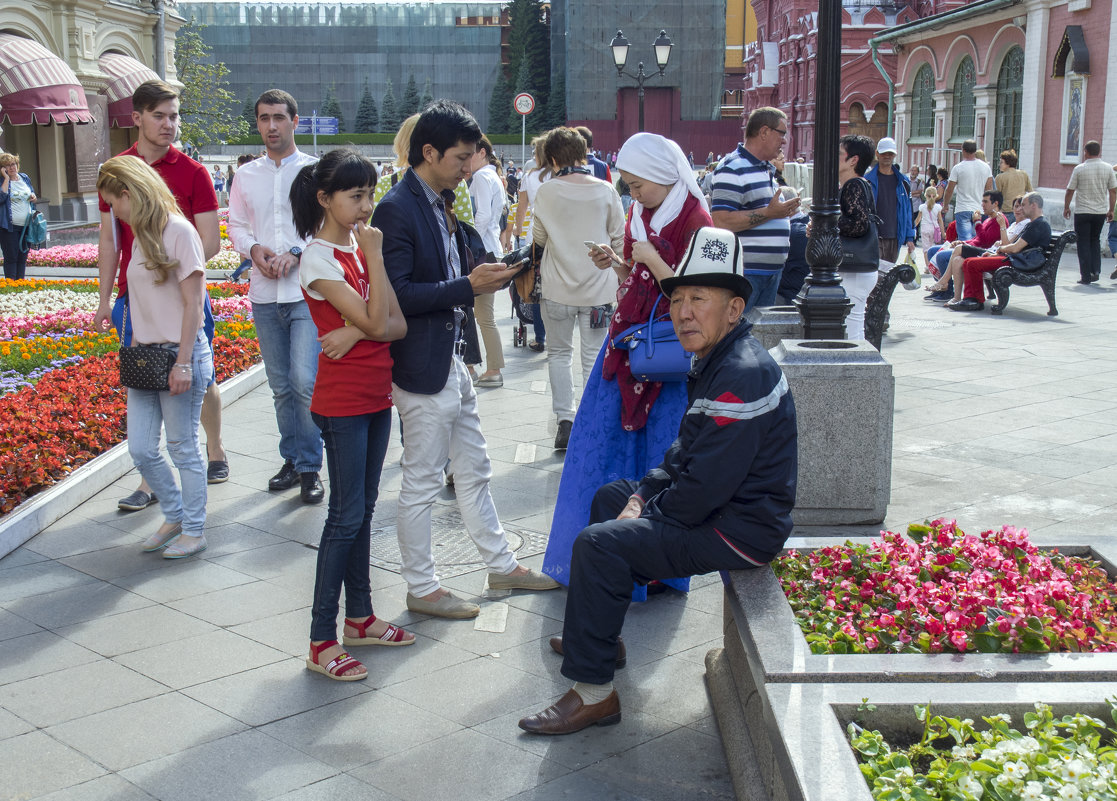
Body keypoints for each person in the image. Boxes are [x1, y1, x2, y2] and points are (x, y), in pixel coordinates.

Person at [518, 227, 797, 735]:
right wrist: (644, 494)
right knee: (611, 497)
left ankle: (593, 693)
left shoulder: (741, 372)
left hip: (742, 528)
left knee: (601, 546)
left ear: (734, 309)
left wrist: (648, 512)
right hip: (720, 507)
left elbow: (704, 489)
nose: (684, 311)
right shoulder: (720, 357)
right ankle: (605, 636)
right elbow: (684, 448)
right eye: (679, 298)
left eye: (700, 299)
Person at [371, 99, 559, 620]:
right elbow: (399, 295)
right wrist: (466, 285)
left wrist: (487, 274)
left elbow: (447, 276)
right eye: (459, 157)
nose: (468, 165)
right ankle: (422, 586)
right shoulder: (397, 208)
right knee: (424, 481)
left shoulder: (440, 200)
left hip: (452, 359)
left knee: (474, 468)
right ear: (427, 152)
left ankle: (501, 562)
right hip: (421, 366)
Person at [541, 131, 713, 599]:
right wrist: (617, 263)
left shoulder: (696, 218)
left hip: (664, 358)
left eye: (639, 185)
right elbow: (640, 278)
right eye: (630, 185)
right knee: (601, 448)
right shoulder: (646, 210)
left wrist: (652, 259)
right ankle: (599, 554)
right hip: (630, 345)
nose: (633, 195)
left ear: (662, 175)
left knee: (659, 456)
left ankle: (652, 567)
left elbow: (695, 294)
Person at [289, 148, 413, 680]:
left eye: (369, 194)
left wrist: (358, 327)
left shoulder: (358, 250)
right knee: (345, 517)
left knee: (361, 510)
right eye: (355, 196)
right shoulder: (320, 257)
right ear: (325, 198)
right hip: (341, 404)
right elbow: (378, 318)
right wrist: (376, 273)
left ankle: (359, 618)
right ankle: (321, 640)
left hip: (374, 393)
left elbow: (396, 326)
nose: (366, 207)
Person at [91, 80, 229, 512]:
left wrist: (166, 267)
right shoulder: (116, 171)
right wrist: (102, 300)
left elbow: (208, 244)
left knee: (195, 373)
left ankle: (214, 447)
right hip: (133, 300)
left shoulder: (192, 171)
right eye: (160, 116)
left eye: (174, 116)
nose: (170, 124)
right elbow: (110, 241)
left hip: (185, 293)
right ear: (136, 118)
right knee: (146, 377)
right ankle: (153, 481)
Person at [97, 156, 213, 559]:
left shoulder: (178, 231)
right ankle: (175, 515)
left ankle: (194, 529)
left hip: (179, 355)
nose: (113, 212)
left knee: (183, 447)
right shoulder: (140, 234)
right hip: (143, 357)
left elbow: (193, 306)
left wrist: (183, 360)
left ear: (128, 194)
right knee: (142, 449)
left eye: (114, 203)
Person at [228, 89, 323, 503]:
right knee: (281, 386)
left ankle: (311, 466)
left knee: (305, 382)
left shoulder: (317, 172)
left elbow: (327, 226)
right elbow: (235, 225)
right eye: (264, 118)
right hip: (265, 295)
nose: (271, 126)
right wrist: (254, 250)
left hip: (306, 292)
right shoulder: (246, 176)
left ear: (294, 121)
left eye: (279, 118)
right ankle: (292, 460)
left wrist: (298, 252)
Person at [531, 126, 626, 450]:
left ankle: (565, 421)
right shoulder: (605, 190)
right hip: (599, 292)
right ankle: (591, 421)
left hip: (557, 290)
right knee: (592, 355)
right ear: (583, 154)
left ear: (553, 157)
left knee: (558, 354)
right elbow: (619, 239)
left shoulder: (546, 192)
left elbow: (540, 240)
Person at [711, 106, 801, 310]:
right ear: (764, 132)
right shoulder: (732, 168)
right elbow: (722, 221)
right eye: (782, 134)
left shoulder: (764, 168)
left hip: (769, 273)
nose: (785, 141)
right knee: (740, 334)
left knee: (758, 337)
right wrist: (771, 213)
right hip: (747, 273)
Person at [950, 192, 1052, 312]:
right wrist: (996, 254)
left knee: (972, 263)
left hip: (1021, 262)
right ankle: (971, 299)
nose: (1021, 208)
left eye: (1024, 205)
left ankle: (974, 300)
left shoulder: (1039, 224)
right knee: (968, 262)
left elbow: (1015, 248)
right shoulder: (1034, 223)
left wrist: (1000, 249)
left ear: (1033, 205)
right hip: (1016, 259)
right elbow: (1015, 248)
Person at [501, 135, 549, 351]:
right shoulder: (561, 175)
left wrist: (519, 235)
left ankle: (540, 337)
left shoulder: (530, 176)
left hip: (536, 237)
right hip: (561, 237)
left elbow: (521, 207)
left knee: (537, 289)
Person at [468, 135, 507, 388]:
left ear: (481, 152)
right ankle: (483, 367)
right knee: (481, 315)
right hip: (491, 248)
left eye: (469, 153)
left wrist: (468, 239)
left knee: (479, 315)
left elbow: (481, 216)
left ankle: (489, 368)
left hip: (481, 251)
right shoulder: (492, 176)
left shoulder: (482, 176)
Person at [834, 134, 879, 341]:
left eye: (840, 153)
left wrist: (826, 224)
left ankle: (859, 370)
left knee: (852, 328)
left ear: (853, 160)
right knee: (853, 323)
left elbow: (858, 224)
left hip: (855, 266)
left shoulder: (853, 185)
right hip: (859, 267)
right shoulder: (859, 184)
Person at [1064, 140, 1117, 285]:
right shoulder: (1108, 169)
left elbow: (1070, 190)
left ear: (1086, 152)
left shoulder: (1079, 169)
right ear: (1099, 152)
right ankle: (1096, 271)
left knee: (1083, 242)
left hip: (1082, 211)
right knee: (1095, 240)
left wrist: (1066, 207)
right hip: (1100, 211)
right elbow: (1113, 190)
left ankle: (1085, 275)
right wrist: (1111, 209)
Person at [864, 137, 916, 265]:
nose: (887, 156)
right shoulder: (867, 180)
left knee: (888, 277)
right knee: (875, 275)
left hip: (895, 236)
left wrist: (910, 237)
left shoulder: (903, 181)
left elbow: (908, 210)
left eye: (890, 153)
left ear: (895, 155)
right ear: (877, 154)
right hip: (874, 236)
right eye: (884, 153)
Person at [940, 140, 993, 241]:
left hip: (963, 208)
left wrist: (945, 205)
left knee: (965, 240)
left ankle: (966, 255)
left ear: (963, 150)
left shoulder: (958, 168)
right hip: (980, 209)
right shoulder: (986, 167)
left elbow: (949, 189)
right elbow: (989, 189)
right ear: (975, 150)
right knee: (978, 240)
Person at [0, 153, 37, 280]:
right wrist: (6, 178)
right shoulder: (2, 181)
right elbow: (1, 198)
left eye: (13, 164)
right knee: (11, 258)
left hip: (26, 226)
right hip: (9, 227)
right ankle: (11, 287)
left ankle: (20, 285)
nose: (11, 167)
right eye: (7, 166)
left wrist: (33, 196)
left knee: (22, 258)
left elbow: (31, 192)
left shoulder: (24, 178)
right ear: (2, 169)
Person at [915, 186, 945, 261]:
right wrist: (943, 232)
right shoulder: (938, 207)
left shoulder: (922, 207)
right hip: (934, 229)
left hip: (924, 228)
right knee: (932, 247)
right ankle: (932, 264)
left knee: (925, 249)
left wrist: (912, 228)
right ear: (936, 196)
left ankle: (927, 266)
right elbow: (940, 220)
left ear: (925, 195)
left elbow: (918, 219)